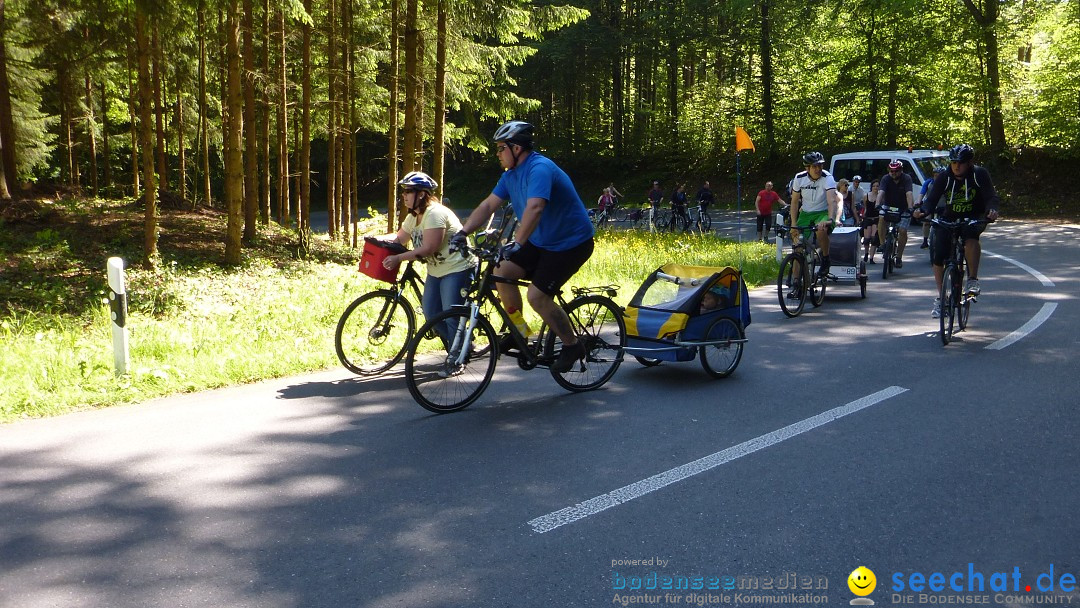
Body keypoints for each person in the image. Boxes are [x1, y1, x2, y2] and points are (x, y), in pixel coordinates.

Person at [452, 120, 595, 373]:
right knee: (501, 273)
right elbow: (487, 206)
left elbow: (535, 207)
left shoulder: (539, 168)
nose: (497, 154)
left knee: (537, 297)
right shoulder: (510, 175)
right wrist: (463, 232)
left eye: (500, 148)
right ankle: (519, 331)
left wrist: (517, 243)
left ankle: (572, 345)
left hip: (570, 244)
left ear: (516, 148)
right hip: (540, 241)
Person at [381, 171, 477, 343]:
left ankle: (457, 357)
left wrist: (399, 258)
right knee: (431, 314)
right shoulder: (414, 216)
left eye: (408, 191)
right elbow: (399, 239)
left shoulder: (434, 213)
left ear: (422, 194)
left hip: (457, 267)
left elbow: (429, 248)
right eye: (403, 191)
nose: (404, 195)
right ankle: (462, 346)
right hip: (436, 270)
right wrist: (376, 241)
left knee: (450, 315)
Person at [912, 144, 1000, 318]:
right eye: (953, 162)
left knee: (970, 238)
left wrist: (992, 210)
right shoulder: (944, 177)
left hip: (974, 215)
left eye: (960, 163)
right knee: (938, 255)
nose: (956, 166)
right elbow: (931, 199)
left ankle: (972, 280)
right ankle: (941, 298)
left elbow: (991, 196)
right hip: (950, 216)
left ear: (969, 163)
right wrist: (923, 210)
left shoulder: (979, 174)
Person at [788, 151, 840, 293]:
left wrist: (829, 219)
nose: (818, 169)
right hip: (805, 213)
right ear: (807, 168)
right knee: (797, 246)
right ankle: (796, 283)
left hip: (822, 213)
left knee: (821, 230)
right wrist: (793, 224)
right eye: (814, 166)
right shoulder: (799, 178)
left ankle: (826, 258)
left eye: (820, 165)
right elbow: (794, 202)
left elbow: (831, 200)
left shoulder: (827, 177)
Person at [875, 159, 915, 268]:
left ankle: (899, 257)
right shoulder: (885, 178)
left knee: (902, 231)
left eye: (896, 171)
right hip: (888, 205)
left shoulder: (906, 178)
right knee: (881, 218)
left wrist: (910, 208)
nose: (893, 173)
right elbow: (881, 192)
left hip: (903, 207)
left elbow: (909, 194)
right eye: (891, 171)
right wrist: (877, 204)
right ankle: (883, 244)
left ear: (901, 170)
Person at [918, 166, 947, 249]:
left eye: (939, 175)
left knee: (944, 224)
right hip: (931, 205)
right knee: (926, 221)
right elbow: (922, 193)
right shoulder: (928, 182)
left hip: (942, 206)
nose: (937, 177)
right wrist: (918, 202)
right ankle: (925, 240)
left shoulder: (947, 183)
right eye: (935, 175)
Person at [861, 180, 881, 263]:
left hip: (876, 219)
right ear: (871, 187)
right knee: (867, 239)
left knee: (874, 238)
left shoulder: (880, 196)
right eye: (874, 186)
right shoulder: (866, 196)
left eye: (877, 186)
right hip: (868, 218)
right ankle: (866, 253)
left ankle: (871, 258)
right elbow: (865, 207)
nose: (875, 188)